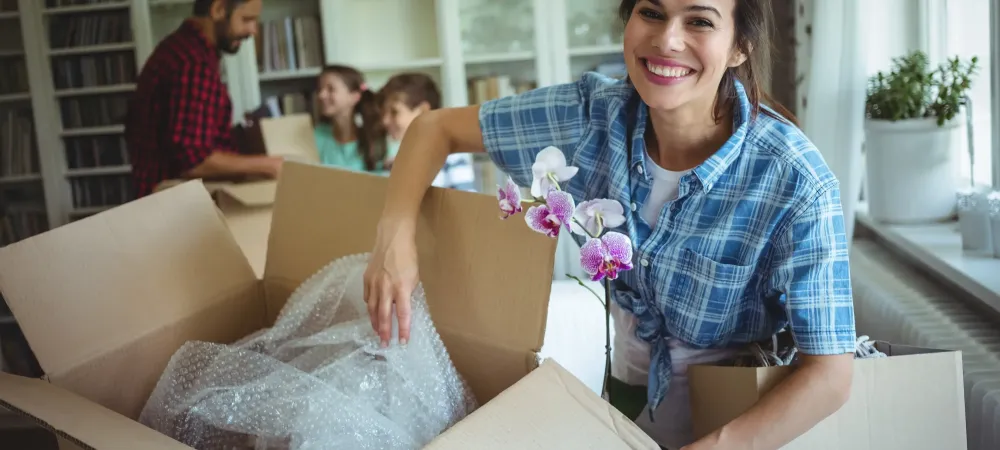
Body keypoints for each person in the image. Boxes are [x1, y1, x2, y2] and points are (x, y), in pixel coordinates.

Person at [362, 0, 857, 449]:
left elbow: (830, 374)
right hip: (626, 393)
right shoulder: (590, 117)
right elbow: (433, 128)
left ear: (739, 47)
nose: (667, 40)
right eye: (652, 13)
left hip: (742, 419)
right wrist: (394, 236)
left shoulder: (796, 180)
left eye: (700, 21)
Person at [125, 0, 283, 198]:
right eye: (246, 19)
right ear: (218, 9)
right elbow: (193, 162)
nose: (253, 30)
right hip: (174, 207)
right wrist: (269, 165)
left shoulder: (179, 48)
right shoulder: (194, 63)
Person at [378, 73, 475, 191]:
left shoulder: (451, 159)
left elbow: (465, 200)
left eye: (394, 112)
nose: (385, 120)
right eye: (383, 113)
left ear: (423, 111)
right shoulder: (392, 163)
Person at [313, 65, 388, 173]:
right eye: (320, 89)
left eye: (331, 89)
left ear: (354, 97)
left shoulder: (378, 140)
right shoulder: (317, 135)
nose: (321, 95)